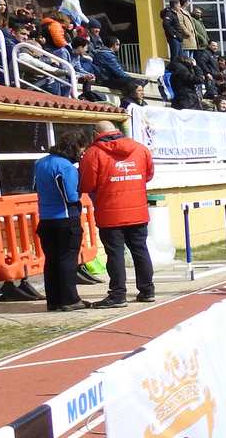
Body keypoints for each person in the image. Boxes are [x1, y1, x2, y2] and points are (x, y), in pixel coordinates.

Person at [79, 120, 155, 308]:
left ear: (96, 132)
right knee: (140, 250)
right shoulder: (140, 149)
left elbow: (87, 184)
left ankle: (118, 295)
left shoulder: (93, 153)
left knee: (115, 254)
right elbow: (149, 175)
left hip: (110, 213)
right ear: (117, 130)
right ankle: (147, 290)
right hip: (138, 210)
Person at [33, 129, 90, 311]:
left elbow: (35, 187)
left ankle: (54, 301)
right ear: (75, 147)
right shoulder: (66, 166)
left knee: (51, 260)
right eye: (82, 149)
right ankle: (70, 300)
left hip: (46, 219)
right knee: (67, 259)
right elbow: (71, 197)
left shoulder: (40, 163)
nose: (82, 153)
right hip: (65, 218)